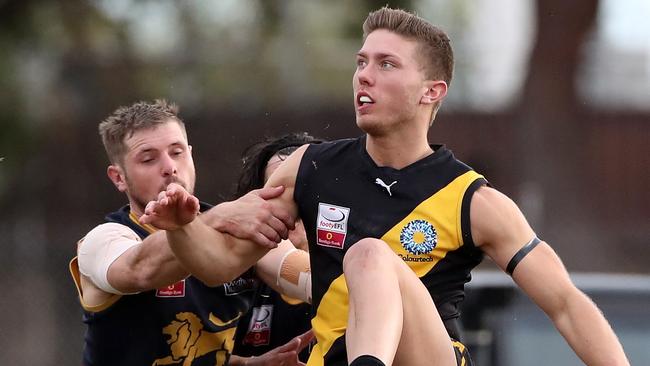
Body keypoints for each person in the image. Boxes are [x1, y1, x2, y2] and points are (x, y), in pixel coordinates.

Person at [140, 7, 630, 366]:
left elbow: (565, 305)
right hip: (333, 356)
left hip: (430, 358)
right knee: (367, 258)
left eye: (386, 64)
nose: (363, 77)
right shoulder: (308, 167)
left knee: (369, 255)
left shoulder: (474, 200)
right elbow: (217, 263)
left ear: (431, 92)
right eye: (361, 61)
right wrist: (184, 228)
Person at [69, 99, 312, 366]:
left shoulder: (235, 225)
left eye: (177, 152)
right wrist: (217, 217)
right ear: (119, 178)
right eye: (148, 159)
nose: (169, 167)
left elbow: (302, 275)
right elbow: (141, 269)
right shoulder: (101, 242)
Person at [231, 133, 323, 364]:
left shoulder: (363, 261)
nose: (291, 203)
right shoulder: (233, 277)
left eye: (304, 189)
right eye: (277, 191)